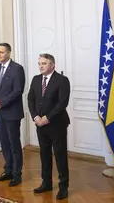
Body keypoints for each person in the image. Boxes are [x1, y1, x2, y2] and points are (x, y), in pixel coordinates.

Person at [27, 53, 71, 200]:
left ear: (52, 65)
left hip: (57, 124)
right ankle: (46, 183)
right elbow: (30, 99)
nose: (41, 66)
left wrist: (47, 118)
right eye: (39, 63)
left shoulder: (62, 80)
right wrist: (35, 117)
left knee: (60, 156)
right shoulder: (36, 79)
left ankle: (63, 186)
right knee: (44, 154)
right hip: (39, 124)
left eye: (44, 63)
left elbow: (62, 103)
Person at [0, 43, 25, 186]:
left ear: (9, 53)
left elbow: (18, 91)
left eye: (2, 52)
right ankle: (8, 170)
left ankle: (17, 174)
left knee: (14, 144)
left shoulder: (17, 69)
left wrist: (2, 102)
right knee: (4, 143)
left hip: (12, 113)